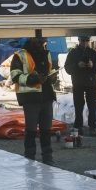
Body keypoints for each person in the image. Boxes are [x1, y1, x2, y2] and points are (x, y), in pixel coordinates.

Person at [9, 37, 59, 165]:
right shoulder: (20, 56)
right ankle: (30, 157)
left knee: (46, 130)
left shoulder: (45, 54)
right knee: (31, 130)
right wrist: (35, 79)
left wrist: (53, 77)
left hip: (46, 96)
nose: (41, 45)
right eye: (39, 42)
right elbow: (15, 76)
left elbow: (50, 69)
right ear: (32, 40)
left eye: (43, 42)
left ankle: (48, 158)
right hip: (30, 98)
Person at [63, 36, 96, 136]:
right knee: (78, 106)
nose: (85, 43)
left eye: (87, 40)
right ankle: (78, 127)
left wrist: (92, 65)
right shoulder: (73, 53)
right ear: (79, 40)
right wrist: (77, 65)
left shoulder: (93, 53)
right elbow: (67, 68)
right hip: (78, 83)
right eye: (83, 40)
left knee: (92, 106)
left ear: (89, 41)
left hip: (91, 84)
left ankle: (92, 127)